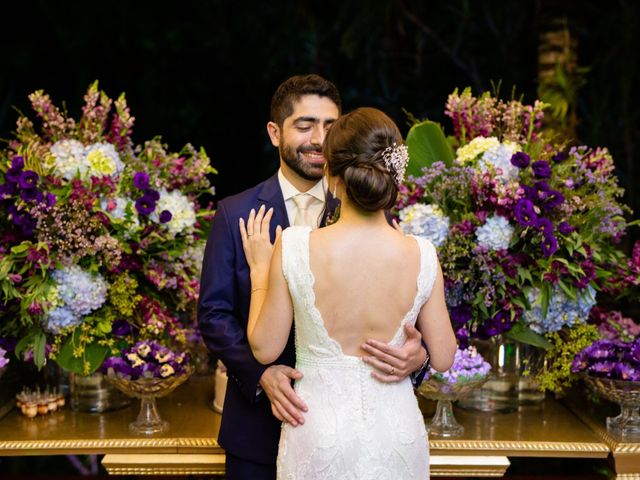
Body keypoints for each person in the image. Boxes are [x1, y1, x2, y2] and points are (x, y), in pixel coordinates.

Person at [198, 76, 431, 480]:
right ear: (275, 132)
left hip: (352, 441)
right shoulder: (235, 213)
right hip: (256, 429)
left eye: (329, 126)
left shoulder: (375, 210)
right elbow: (214, 313)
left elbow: (408, 303)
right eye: (305, 125)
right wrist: (261, 375)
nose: (319, 139)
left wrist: (418, 357)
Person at [240, 107, 457, 479]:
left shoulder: (294, 246)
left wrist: (260, 272)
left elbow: (264, 347)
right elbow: (444, 357)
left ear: (332, 177)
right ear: (394, 176)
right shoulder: (421, 253)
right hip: (396, 433)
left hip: (318, 430)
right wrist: (417, 352)